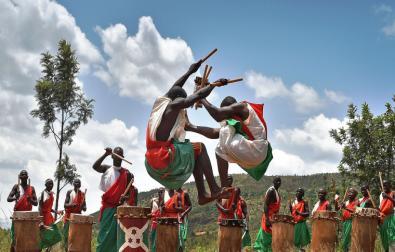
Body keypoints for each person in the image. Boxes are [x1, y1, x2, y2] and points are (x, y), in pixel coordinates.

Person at [144, 60, 228, 204]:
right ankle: (213, 189)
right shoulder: (174, 105)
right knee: (200, 147)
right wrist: (213, 85)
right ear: (179, 101)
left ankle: (203, 195)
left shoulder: (161, 104)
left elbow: (175, 87)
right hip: (162, 157)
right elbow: (194, 98)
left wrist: (190, 71)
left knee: (192, 151)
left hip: (151, 161)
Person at [186, 96, 272, 187]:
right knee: (221, 142)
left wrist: (201, 97)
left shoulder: (242, 107)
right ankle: (224, 187)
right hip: (258, 155)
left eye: (225, 112)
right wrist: (191, 127)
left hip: (256, 150)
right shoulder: (236, 121)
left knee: (223, 135)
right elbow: (215, 133)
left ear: (230, 107)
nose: (225, 116)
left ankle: (224, 186)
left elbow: (217, 115)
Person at [93, 147, 136, 252]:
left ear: (123, 158)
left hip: (120, 210)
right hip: (107, 208)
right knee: (104, 236)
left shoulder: (127, 174)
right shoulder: (107, 169)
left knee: (117, 237)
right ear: (112, 156)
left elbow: (130, 194)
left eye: (120, 155)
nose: (118, 157)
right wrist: (105, 154)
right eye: (116, 155)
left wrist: (124, 198)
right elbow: (95, 167)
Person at [7, 170, 38, 251]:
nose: (24, 176)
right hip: (18, 216)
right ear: (20, 177)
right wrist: (15, 197)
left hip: (28, 217)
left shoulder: (31, 188)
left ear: (27, 177)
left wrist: (30, 199)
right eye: (22, 175)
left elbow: (36, 203)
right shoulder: (16, 187)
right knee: (15, 238)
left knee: (28, 238)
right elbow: (8, 199)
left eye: (25, 175)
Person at [216, 182, 250, 249]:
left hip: (237, 228)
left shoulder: (241, 201)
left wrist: (246, 226)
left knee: (235, 247)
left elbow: (245, 213)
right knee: (224, 247)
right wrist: (224, 210)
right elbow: (217, 203)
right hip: (225, 227)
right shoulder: (223, 196)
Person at [254, 177, 281, 252]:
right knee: (267, 237)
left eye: (279, 181)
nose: (278, 182)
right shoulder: (271, 191)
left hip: (273, 217)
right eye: (277, 181)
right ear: (273, 182)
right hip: (269, 217)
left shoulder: (276, 192)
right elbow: (266, 205)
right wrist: (267, 219)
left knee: (271, 237)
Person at [63, 179, 86, 250]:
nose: (77, 184)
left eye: (79, 183)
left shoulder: (82, 194)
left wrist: (83, 207)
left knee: (76, 236)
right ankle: (67, 250)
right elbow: (65, 205)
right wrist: (71, 205)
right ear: (73, 184)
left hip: (78, 218)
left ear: (80, 185)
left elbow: (85, 207)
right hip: (69, 217)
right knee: (67, 235)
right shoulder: (69, 192)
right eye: (75, 183)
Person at [39, 179, 62, 250]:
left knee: (56, 236)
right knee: (44, 238)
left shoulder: (51, 193)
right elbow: (40, 208)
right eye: (49, 184)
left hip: (50, 218)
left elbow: (49, 208)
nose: (51, 185)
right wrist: (41, 221)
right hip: (44, 219)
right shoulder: (43, 193)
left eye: (52, 184)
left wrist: (56, 212)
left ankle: (47, 250)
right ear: (45, 185)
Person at [335, 188, 359, 252]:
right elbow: (337, 209)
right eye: (349, 192)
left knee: (347, 239)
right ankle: (346, 250)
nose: (350, 194)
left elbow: (355, 212)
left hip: (352, 222)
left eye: (352, 193)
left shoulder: (356, 202)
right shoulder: (346, 202)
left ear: (355, 195)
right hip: (345, 222)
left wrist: (346, 208)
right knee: (344, 237)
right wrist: (336, 201)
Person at [379, 180, 395, 252]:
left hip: (391, 218)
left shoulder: (393, 193)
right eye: (383, 185)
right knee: (384, 238)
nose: (384, 187)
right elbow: (381, 208)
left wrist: (388, 197)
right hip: (383, 219)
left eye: (386, 185)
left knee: (391, 237)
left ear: (390, 186)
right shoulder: (382, 196)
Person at [149, 188, 165, 252]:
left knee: (160, 240)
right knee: (153, 239)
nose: (160, 194)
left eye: (162, 192)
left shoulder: (166, 201)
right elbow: (151, 211)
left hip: (162, 224)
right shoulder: (154, 201)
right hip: (154, 223)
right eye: (159, 192)